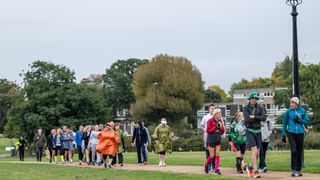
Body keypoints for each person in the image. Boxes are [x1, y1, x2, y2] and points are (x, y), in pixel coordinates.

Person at [282, 97, 309, 177]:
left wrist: (300, 120)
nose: (291, 104)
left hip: (300, 133)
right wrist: (283, 134)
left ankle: (298, 170)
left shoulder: (302, 111)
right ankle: (294, 169)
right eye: (291, 103)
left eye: (293, 103)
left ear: (297, 104)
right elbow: (284, 123)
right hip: (291, 133)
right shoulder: (288, 112)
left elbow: (307, 122)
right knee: (294, 150)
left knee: (299, 151)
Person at [243, 91, 266, 178]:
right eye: (252, 98)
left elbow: (264, 117)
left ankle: (249, 167)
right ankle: (255, 170)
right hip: (250, 131)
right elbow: (247, 119)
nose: (254, 100)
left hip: (258, 131)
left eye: (255, 98)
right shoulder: (246, 108)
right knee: (255, 151)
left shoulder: (260, 107)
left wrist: (254, 117)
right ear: (250, 99)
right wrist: (256, 118)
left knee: (257, 153)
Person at [204, 109, 225, 175]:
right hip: (211, 140)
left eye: (220, 114)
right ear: (215, 114)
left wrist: (220, 127)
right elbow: (208, 130)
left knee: (217, 155)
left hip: (218, 139)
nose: (220, 115)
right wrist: (216, 126)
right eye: (219, 114)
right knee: (212, 156)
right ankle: (206, 165)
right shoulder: (210, 121)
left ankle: (216, 169)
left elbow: (222, 131)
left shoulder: (220, 121)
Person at [200, 104, 215, 171]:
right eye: (212, 108)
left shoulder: (216, 117)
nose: (213, 109)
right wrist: (205, 130)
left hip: (215, 135)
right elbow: (201, 125)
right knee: (207, 150)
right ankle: (208, 165)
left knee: (214, 151)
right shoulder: (206, 117)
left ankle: (213, 166)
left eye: (214, 108)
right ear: (209, 109)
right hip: (207, 135)